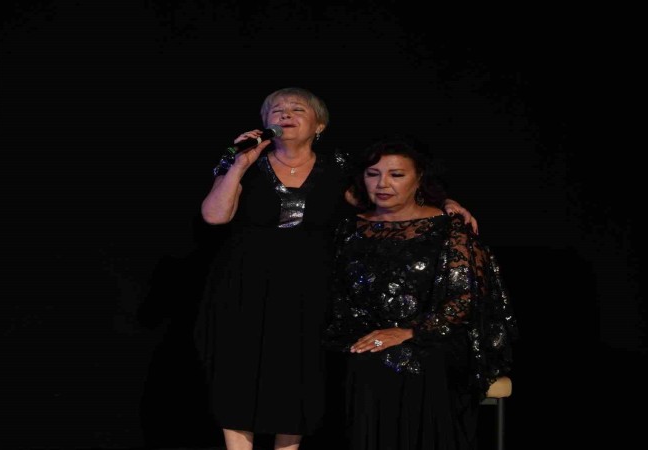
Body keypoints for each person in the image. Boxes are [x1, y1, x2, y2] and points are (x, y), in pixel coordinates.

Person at [194, 87, 478, 450]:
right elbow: (215, 216)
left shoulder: (338, 167)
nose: (285, 114)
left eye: (297, 109)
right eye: (276, 110)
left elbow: (386, 199)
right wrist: (239, 164)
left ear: (319, 126)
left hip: (310, 286)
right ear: (264, 123)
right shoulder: (243, 164)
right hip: (242, 283)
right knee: (238, 372)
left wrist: (445, 201)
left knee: (295, 374)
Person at [323, 137, 518, 450]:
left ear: (419, 179)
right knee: (361, 359)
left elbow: (465, 298)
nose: (382, 184)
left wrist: (409, 332)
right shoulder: (347, 228)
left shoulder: (449, 227)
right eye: (373, 174)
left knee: (410, 362)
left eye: (397, 175)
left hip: (436, 334)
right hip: (359, 331)